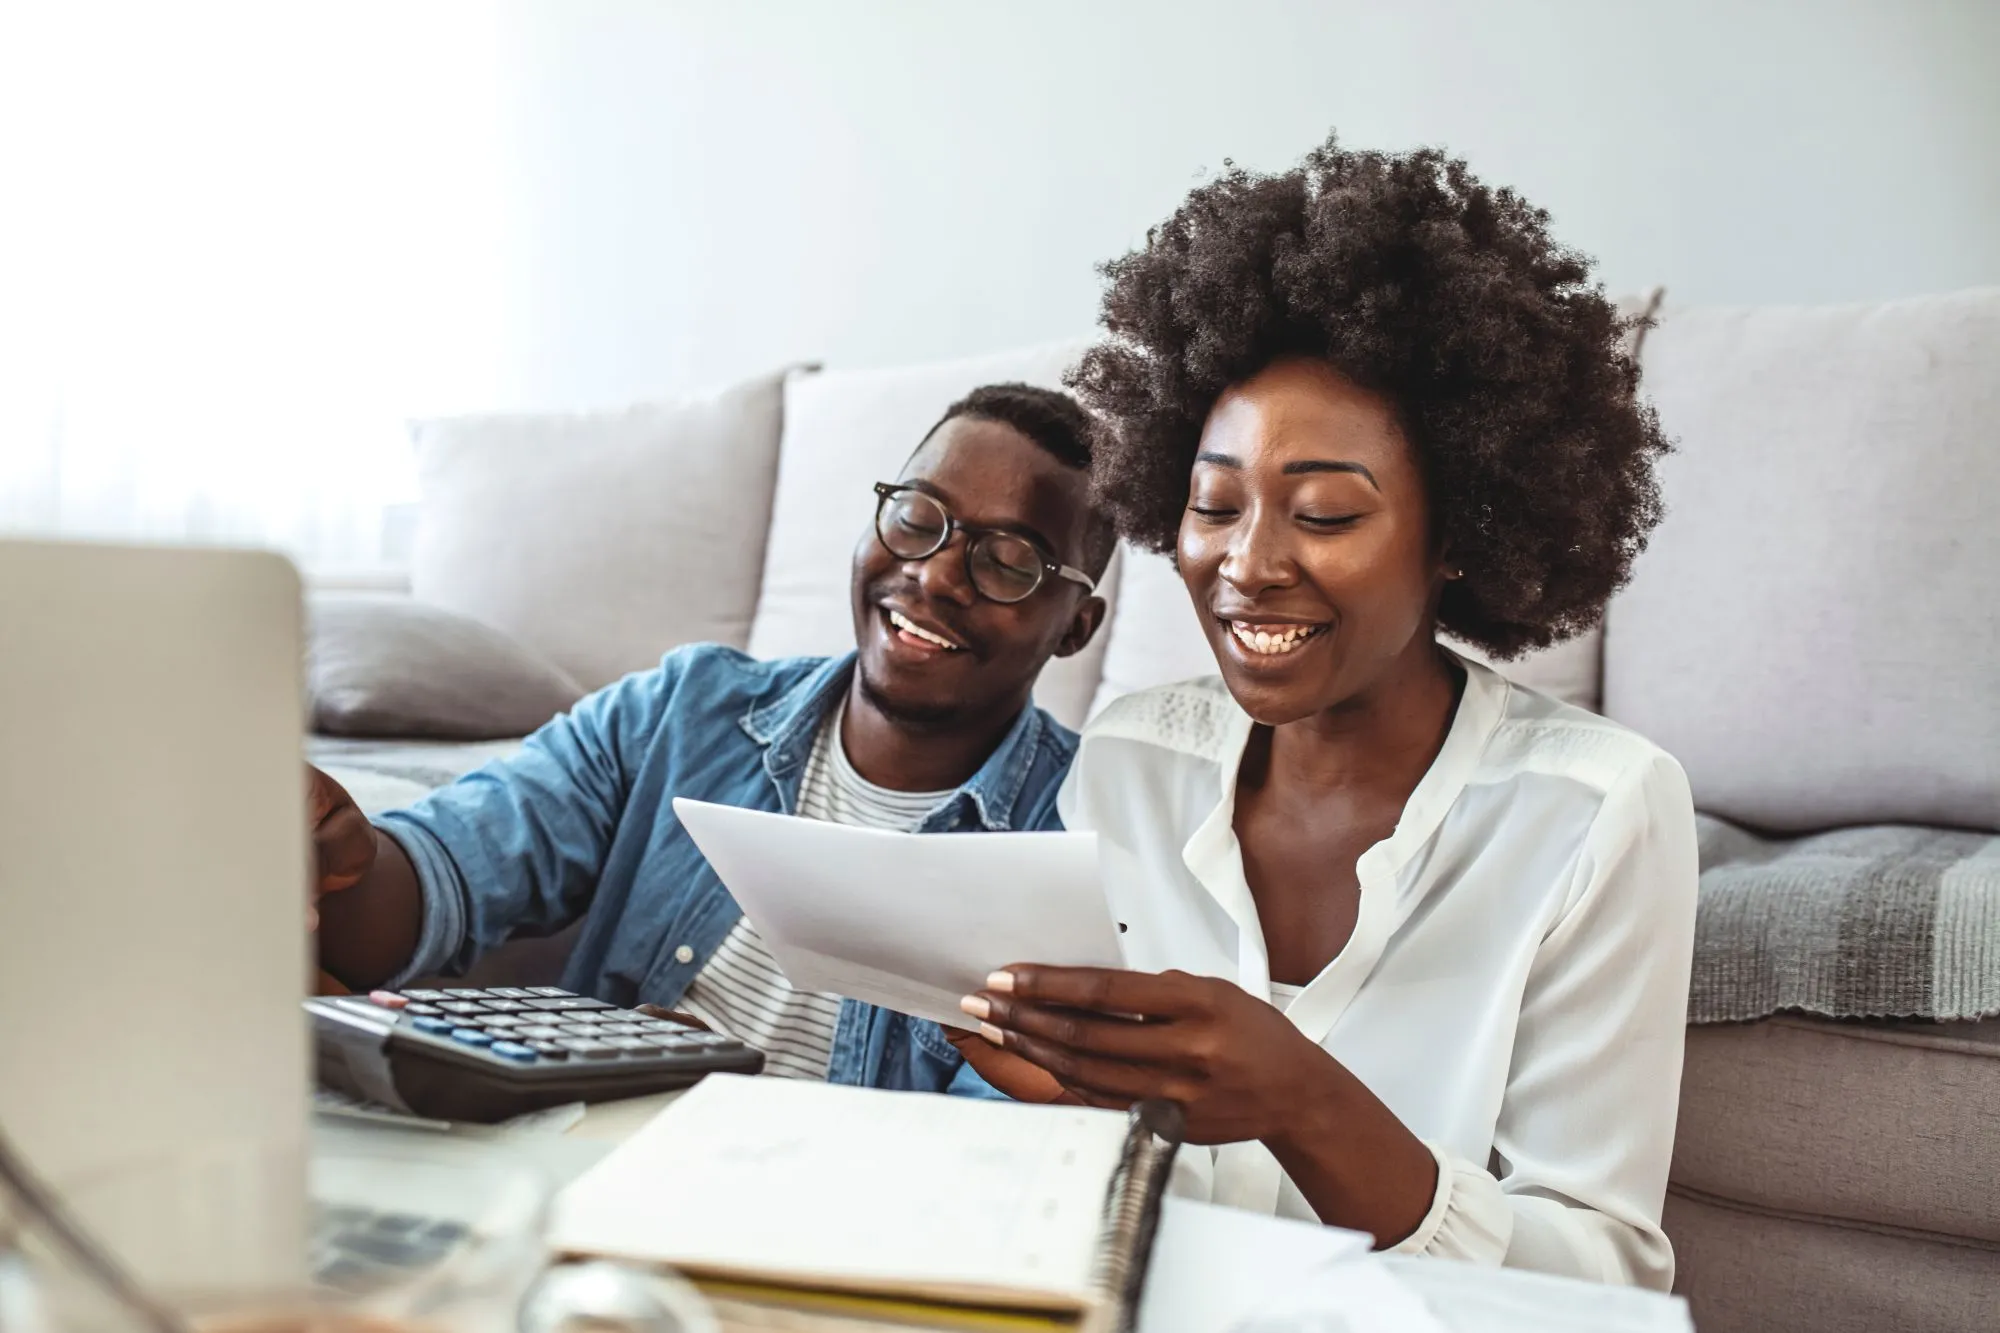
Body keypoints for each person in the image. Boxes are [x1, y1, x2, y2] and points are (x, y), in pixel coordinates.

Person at [950, 136, 1697, 1290]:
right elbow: (1121, 1176)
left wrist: (1303, 1100)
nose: (1245, 565)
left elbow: (1596, 1276)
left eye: (1325, 515)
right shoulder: (1131, 757)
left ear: (1457, 534)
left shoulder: (1596, 810)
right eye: (1213, 504)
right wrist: (1076, 1090)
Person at [312, 382, 1113, 1092]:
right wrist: (345, 860)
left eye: (1008, 562)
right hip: (585, 1169)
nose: (935, 575)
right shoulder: (681, 711)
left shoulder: (1086, 836)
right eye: (915, 517)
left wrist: (723, 1098)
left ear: (1075, 626)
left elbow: (1008, 1154)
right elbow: (443, 874)